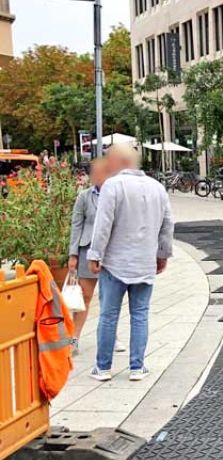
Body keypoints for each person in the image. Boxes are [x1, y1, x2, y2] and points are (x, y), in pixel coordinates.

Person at [87, 144, 174, 382]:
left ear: (119, 162)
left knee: (108, 315)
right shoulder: (158, 188)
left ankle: (103, 367)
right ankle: (137, 366)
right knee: (140, 315)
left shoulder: (112, 186)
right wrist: (162, 255)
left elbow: (103, 224)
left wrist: (95, 255)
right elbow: (167, 225)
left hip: (115, 263)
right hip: (145, 263)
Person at [68, 158, 110, 354]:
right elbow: (76, 226)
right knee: (85, 296)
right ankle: (74, 338)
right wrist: (73, 254)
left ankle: (111, 336)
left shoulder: (115, 195)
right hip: (87, 250)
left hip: (110, 252)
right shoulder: (84, 196)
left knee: (110, 297)